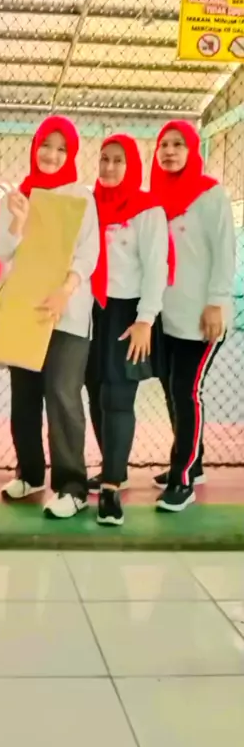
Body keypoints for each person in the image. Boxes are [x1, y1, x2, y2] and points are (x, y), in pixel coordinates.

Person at [0, 116, 99, 519]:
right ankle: (31, 473)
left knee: (62, 394)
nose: (52, 155)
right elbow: (2, 249)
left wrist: (65, 291)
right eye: (45, 146)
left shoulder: (81, 197)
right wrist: (17, 220)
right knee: (24, 396)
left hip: (67, 313)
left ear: (70, 154)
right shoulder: (18, 196)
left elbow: (88, 253)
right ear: (34, 147)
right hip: (25, 310)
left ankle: (72, 486)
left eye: (61, 148)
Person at [150, 121, 235, 512]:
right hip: (168, 317)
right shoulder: (155, 198)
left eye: (178, 144)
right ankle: (192, 463)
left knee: (186, 391)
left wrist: (216, 301)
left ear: (193, 149)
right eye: (164, 144)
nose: (169, 151)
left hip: (202, 319)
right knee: (172, 389)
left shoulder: (211, 195)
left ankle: (181, 479)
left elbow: (224, 252)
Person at [85, 134, 169, 526]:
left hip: (128, 314)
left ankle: (111, 489)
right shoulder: (88, 206)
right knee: (95, 390)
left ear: (132, 165)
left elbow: (156, 267)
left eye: (118, 160)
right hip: (90, 309)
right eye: (104, 158)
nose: (109, 166)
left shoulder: (148, 210)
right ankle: (111, 467)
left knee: (118, 396)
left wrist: (145, 320)